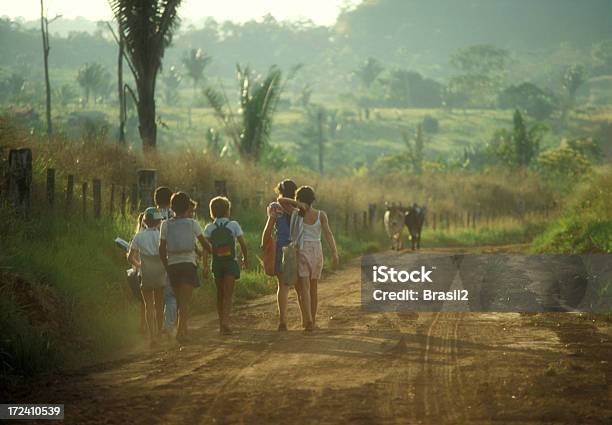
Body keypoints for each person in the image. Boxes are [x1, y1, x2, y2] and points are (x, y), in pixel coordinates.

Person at [279, 186, 339, 331]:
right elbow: (328, 234)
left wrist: (297, 204)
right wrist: (334, 253)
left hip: (302, 251)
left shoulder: (295, 213)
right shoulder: (321, 215)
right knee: (314, 288)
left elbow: (280, 200)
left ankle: (310, 321)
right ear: (312, 200)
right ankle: (311, 319)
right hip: (317, 252)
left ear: (298, 199)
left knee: (305, 287)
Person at [159, 192, 211, 343]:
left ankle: (181, 330)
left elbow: (161, 249)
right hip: (188, 264)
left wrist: (167, 266)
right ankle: (182, 332)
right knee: (184, 302)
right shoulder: (192, 223)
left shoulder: (165, 224)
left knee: (179, 300)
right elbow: (204, 243)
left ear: (171, 207)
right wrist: (214, 252)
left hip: (173, 265)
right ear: (188, 206)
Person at [203, 196, 248, 335]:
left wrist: (205, 265)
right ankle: (225, 323)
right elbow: (242, 243)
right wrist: (245, 258)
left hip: (216, 263)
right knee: (228, 294)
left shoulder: (209, 227)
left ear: (212, 212)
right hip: (230, 263)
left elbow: (205, 248)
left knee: (220, 293)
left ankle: (221, 322)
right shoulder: (233, 225)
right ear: (228, 210)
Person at [261, 179, 298, 331]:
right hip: (296, 249)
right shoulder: (298, 208)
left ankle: (283, 320)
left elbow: (268, 229)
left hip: (281, 248)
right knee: (300, 286)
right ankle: (307, 319)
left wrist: (264, 245)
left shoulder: (276, 207)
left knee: (282, 286)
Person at [127, 208, 166, 346]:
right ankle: (160, 332)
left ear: (145, 221)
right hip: (160, 274)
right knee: (159, 305)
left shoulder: (139, 236)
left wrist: (139, 265)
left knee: (148, 305)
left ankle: (152, 337)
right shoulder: (161, 235)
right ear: (158, 221)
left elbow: (130, 257)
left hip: (146, 274)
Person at [154, 186, 177, 335]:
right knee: (170, 295)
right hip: (170, 256)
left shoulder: (150, 214)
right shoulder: (174, 215)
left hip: (152, 258)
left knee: (156, 296)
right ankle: (168, 325)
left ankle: (153, 327)